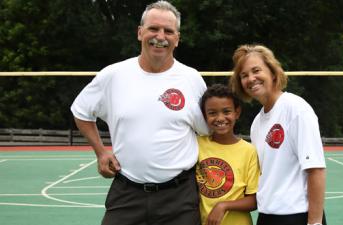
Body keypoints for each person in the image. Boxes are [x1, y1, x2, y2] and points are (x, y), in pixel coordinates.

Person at [70, 1, 208, 225]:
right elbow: (81, 112)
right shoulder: (113, 75)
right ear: (140, 32)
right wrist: (101, 152)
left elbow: (206, 131)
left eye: (168, 31)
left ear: (177, 39)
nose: (160, 36)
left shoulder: (192, 79)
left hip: (179, 197)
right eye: (153, 28)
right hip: (127, 193)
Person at [229, 44, 327, 225]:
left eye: (256, 70)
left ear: (273, 73)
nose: (251, 78)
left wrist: (315, 223)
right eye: (244, 75)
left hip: (296, 215)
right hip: (267, 216)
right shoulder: (257, 123)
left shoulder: (295, 108)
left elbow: (316, 169)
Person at [196, 84, 260, 225]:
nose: (220, 118)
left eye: (226, 111)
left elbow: (254, 200)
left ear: (237, 113)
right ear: (205, 115)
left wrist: (223, 206)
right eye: (212, 113)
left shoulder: (248, 151)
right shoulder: (197, 144)